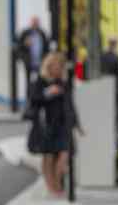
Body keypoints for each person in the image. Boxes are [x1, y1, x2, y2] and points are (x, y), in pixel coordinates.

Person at [26, 52, 81, 197]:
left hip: (62, 123)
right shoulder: (40, 81)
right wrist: (48, 93)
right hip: (47, 123)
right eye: (56, 66)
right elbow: (33, 100)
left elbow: (70, 104)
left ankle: (57, 183)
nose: (58, 69)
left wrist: (76, 123)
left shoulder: (64, 82)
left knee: (64, 154)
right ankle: (51, 186)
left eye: (60, 66)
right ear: (49, 66)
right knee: (48, 156)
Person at [16, 17, 50, 85]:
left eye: (36, 22)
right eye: (33, 22)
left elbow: (46, 47)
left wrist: (46, 59)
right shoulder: (25, 33)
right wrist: (25, 44)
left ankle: (38, 94)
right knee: (28, 81)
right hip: (29, 61)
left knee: (41, 80)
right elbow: (19, 46)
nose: (35, 24)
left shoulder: (42, 33)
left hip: (40, 61)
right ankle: (29, 95)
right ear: (30, 23)